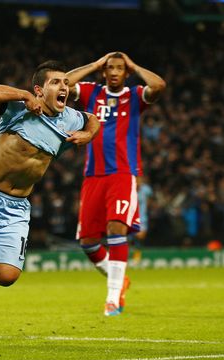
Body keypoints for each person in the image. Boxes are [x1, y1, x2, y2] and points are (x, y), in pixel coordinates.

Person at [0, 61, 100, 344]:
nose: (64, 87)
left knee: (7, 276)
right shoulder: (19, 109)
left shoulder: (69, 119)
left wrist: (88, 134)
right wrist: (23, 96)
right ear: (39, 90)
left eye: (66, 83)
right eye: (55, 83)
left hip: (16, 208)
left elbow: (93, 119)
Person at [66, 52, 166, 316]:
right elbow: (63, 83)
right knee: (87, 242)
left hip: (122, 172)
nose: (114, 72)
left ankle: (112, 299)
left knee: (115, 228)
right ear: (104, 71)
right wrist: (94, 64)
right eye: (110, 67)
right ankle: (120, 278)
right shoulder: (90, 92)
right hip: (93, 176)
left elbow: (158, 86)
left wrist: (136, 66)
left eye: (120, 68)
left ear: (126, 72)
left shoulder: (134, 96)